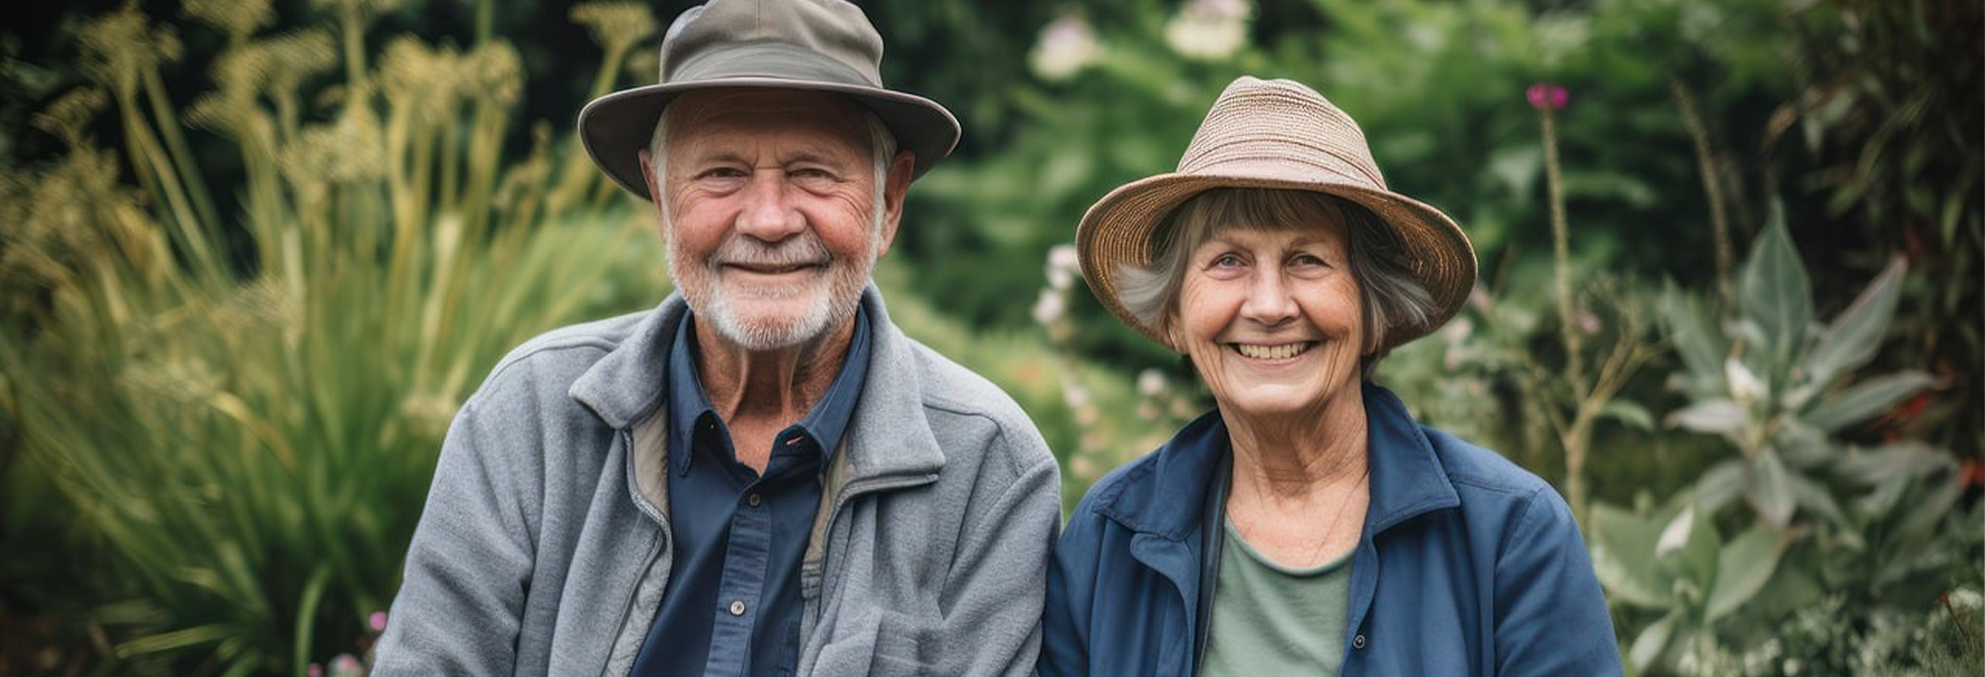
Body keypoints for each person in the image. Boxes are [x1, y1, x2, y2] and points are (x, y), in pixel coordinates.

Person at [373, 1, 1061, 675]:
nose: (766, 219)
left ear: (888, 202)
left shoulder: (989, 469)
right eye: (722, 173)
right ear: (660, 195)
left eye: (812, 172)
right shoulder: (528, 417)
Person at [1039, 77, 1620, 676]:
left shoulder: (1510, 535)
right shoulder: (1110, 538)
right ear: (1174, 319)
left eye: (1307, 260)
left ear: (1375, 313)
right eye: (1228, 261)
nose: (1268, 305)